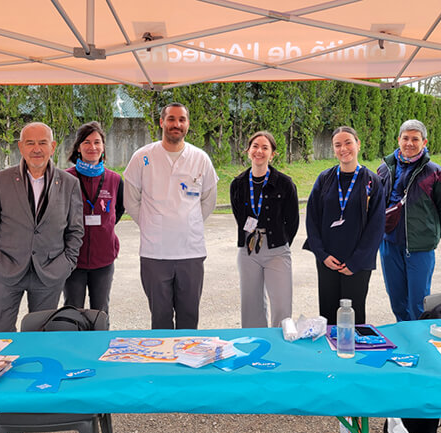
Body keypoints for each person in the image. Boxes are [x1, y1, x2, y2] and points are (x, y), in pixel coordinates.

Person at [0, 122, 84, 332]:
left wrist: (66, 263)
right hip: (6, 270)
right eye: (30, 143)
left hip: (49, 273)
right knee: (0, 335)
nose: (36, 149)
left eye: (42, 143)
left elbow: (75, 230)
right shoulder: (0, 180)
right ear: (20, 147)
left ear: (52, 146)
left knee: (40, 338)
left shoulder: (70, 183)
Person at [123, 103, 218, 330]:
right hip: (155, 253)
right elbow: (131, 200)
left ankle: (188, 362)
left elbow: (208, 201)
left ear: (187, 124)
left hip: (191, 252)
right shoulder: (142, 157)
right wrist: (151, 224)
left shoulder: (200, 158)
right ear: (162, 122)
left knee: (189, 318)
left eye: (182, 120)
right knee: (160, 319)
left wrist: (187, 223)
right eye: (172, 119)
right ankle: (162, 365)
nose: (177, 124)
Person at [303, 126, 384, 326]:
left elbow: (376, 226)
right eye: (338, 145)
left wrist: (356, 261)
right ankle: (330, 356)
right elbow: (311, 219)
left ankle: (354, 352)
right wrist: (322, 255)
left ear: (358, 144)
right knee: (329, 314)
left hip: (357, 263)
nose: (343, 148)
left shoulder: (372, 181)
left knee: (354, 317)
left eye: (348, 142)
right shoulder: (324, 179)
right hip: (328, 260)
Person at [377, 120, 441, 322]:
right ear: (398, 139)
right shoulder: (384, 169)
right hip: (388, 245)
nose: (409, 143)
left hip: (420, 249)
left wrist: (429, 235)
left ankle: (419, 343)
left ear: (424, 141)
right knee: (396, 299)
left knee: (418, 303)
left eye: (415, 139)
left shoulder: (436, 173)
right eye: (405, 138)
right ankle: (403, 340)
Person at [230, 131, 299, 327]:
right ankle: (255, 346)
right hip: (248, 249)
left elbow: (292, 221)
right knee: (251, 306)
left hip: (277, 249)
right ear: (248, 150)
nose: (259, 151)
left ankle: (280, 348)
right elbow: (239, 217)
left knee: (282, 307)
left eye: (265, 147)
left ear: (273, 154)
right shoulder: (238, 184)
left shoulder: (285, 183)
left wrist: (280, 242)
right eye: (255, 146)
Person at [63, 121, 124, 314]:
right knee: (73, 310)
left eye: (97, 142)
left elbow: (119, 209)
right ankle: (73, 344)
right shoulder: (65, 179)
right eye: (87, 142)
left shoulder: (114, 179)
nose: (92, 147)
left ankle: (100, 344)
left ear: (103, 148)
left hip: (103, 258)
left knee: (101, 310)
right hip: (74, 259)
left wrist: (103, 229)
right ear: (78, 148)